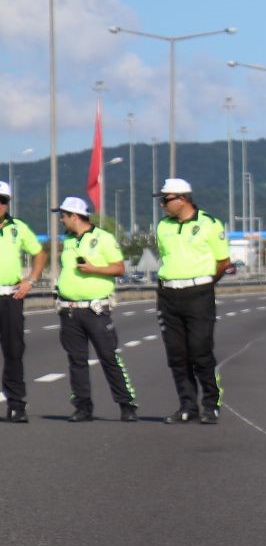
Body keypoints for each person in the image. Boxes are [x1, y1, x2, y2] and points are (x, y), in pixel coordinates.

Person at [152, 178, 230, 425]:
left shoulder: (209, 224)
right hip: (168, 294)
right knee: (176, 353)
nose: (163, 204)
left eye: (166, 199)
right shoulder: (163, 226)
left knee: (200, 350)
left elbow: (222, 262)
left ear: (183, 198)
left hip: (198, 293)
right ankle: (187, 405)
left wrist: (205, 282)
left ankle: (210, 403)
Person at [55, 195, 137, 423]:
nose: (61, 220)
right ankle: (82, 406)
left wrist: (93, 269)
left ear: (74, 216)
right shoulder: (68, 240)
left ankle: (126, 404)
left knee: (109, 357)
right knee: (76, 360)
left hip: (96, 310)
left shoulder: (103, 238)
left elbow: (119, 268)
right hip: (70, 310)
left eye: (63, 216)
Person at [0, 180, 50, 424]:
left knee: (13, 351)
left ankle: (16, 404)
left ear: (8, 203)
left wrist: (31, 280)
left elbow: (39, 253)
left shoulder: (17, 227)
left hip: (10, 296)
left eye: (2, 201)